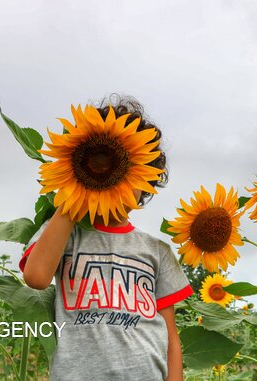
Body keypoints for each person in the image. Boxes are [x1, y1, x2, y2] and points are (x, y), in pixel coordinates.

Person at [20, 95, 193, 381]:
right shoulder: (66, 235)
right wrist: (73, 192)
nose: (110, 179)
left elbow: (170, 337)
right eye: (96, 167)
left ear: (146, 181)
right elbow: (36, 277)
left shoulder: (156, 250)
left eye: (128, 176)